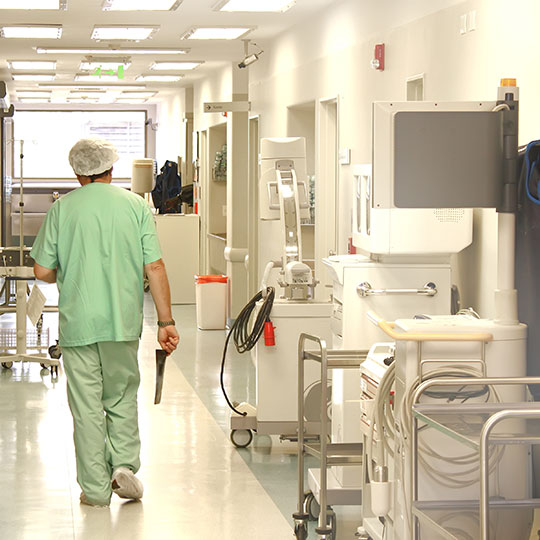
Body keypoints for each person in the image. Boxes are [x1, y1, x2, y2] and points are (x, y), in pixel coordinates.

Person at [31, 138, 179, 508]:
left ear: (77, 172)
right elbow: (155, 266)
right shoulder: (135, 206)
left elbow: (42, 270)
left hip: (79, 325)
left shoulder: (62, 209)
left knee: (86, 407)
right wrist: (166, 321)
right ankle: (124, 467)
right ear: (112, 169)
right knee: (121, 398)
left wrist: (65, 269)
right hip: (122, 322)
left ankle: (95, 489)